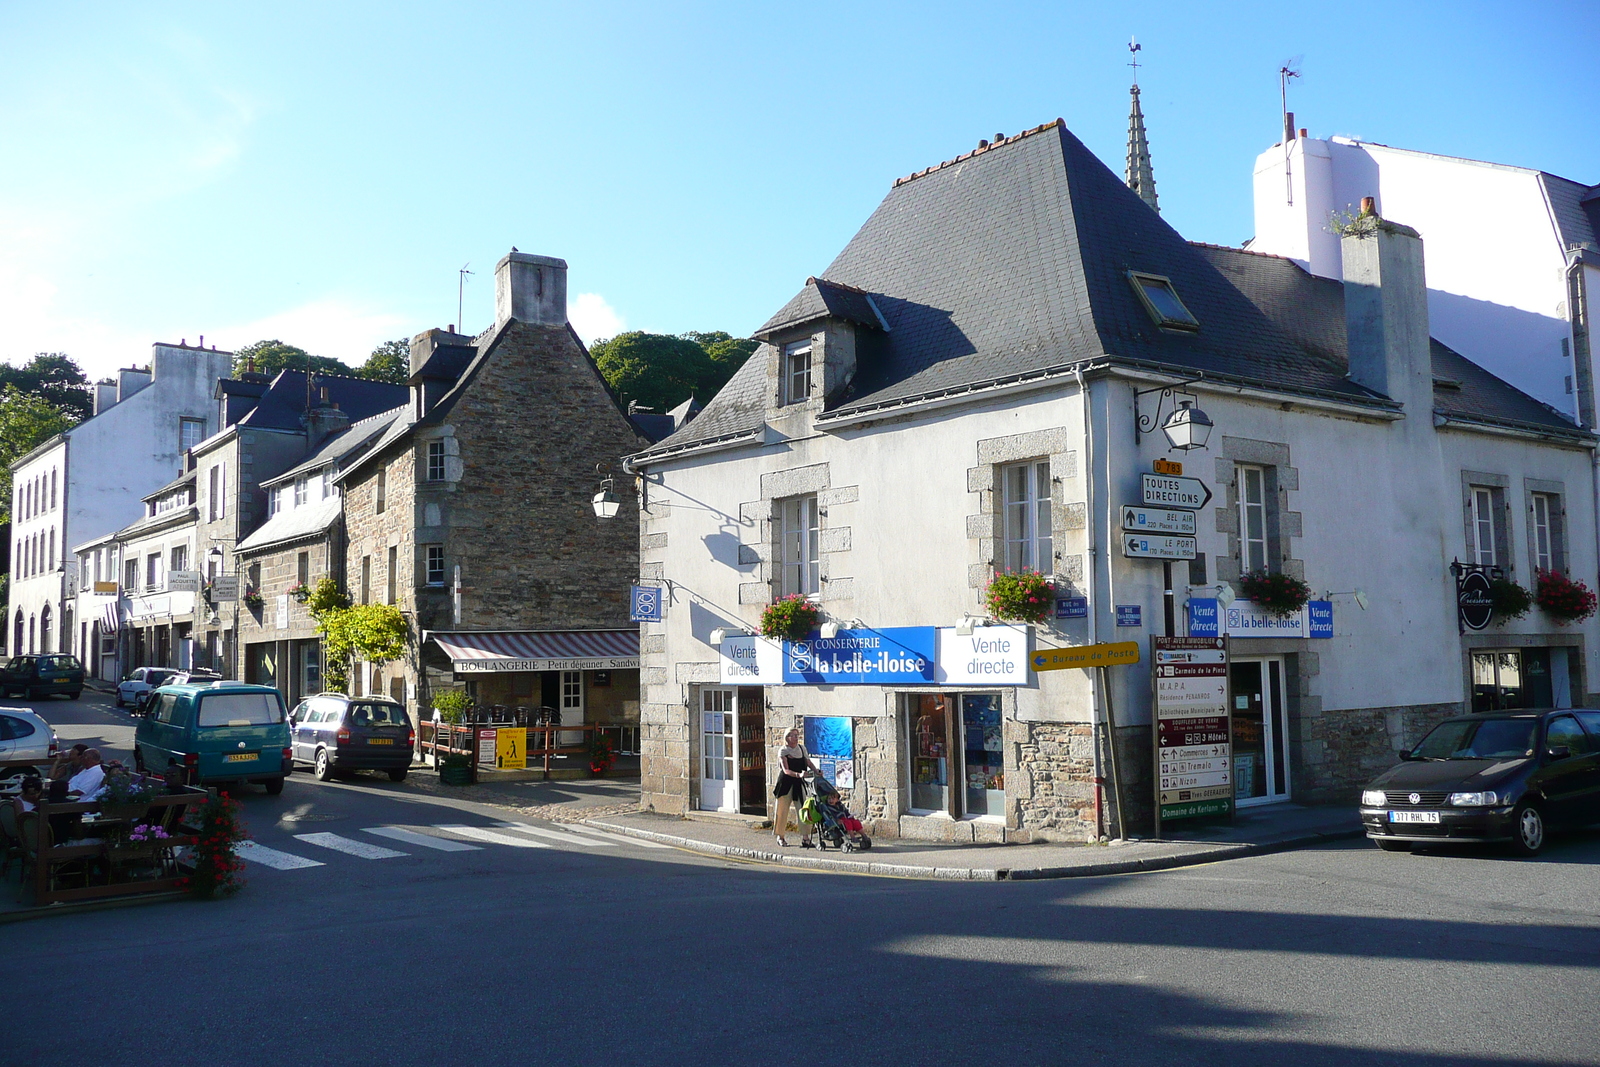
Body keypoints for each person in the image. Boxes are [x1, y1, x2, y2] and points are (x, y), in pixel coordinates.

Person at [772, 728, 818, 848]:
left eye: (797, 735)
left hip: (799, 783)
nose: (796, 737)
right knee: (781, 810)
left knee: (803, 809)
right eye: (793, 735)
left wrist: (816, 771)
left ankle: (806, 838)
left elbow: (808, 762)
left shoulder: (802, 749)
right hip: (785, 784)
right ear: (787, 738)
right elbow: (786, 770)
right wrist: (799, 774)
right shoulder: (783, 751)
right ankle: (780, 837)